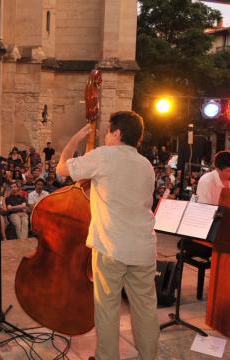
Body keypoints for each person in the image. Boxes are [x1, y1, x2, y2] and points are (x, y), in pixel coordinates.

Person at [56, 111, 159, 360]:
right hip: (144, 249)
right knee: (145, 310)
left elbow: (61, 169)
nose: (105, 138)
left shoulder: (104, 156)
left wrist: (77, 137)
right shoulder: (146, 165)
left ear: (117, 133)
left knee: (107, 309)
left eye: (108, 133)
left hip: (111, 247)